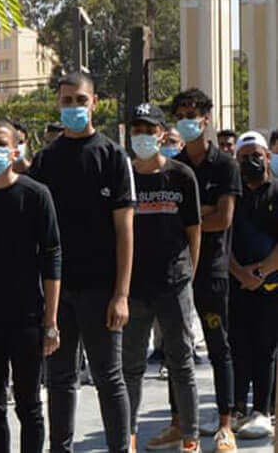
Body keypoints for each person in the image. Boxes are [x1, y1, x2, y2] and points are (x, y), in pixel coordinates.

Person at [28, 71, 134, 453]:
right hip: (57, 291)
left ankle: (120, 448)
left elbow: (125, 231)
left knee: (109, 377)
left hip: (101, 289)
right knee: (59, 380)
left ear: (95, 103)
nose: (73, 107)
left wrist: (121, 294)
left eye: (80, 100)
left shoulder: (112, 157)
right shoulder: (46, 160)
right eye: (66, 100)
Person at [0, 119, 61, 453]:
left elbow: (52, 258)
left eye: (1, 142)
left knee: (29, 405)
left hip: (27, 317)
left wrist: (51, 321)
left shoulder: (36, 195)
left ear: (16, 149)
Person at [121, 104, 201, 453]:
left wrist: (188, 275)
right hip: (135, 288)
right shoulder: (123, 175)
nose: (142, 136)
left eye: (148, 129)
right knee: (131, 368)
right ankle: (129, 437)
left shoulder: (181, 175)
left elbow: (194, 231)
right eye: (136, 129)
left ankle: (190, 437)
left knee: (181, 363)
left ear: (161, 132)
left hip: (173, 284)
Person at [170, 88, 239, 447]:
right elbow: (170, 219)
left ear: (206, 118)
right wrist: (204, 213)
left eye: (193, 112)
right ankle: (178, 421)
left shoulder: (225, 165)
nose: (187, 118)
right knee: (176, 348)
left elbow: (224, 218)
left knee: (218, 346)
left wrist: (193, 219)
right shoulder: (175, 166)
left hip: (212, 269)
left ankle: (225, 422)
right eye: (181, 112)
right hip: (177, 270)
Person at [228, 132, 278, 441]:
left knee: (266, 348)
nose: (252, 162)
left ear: (268, 157)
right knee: (238, 348)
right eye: (244, 158)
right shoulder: (231, 196)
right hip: (236, 287)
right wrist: (240, 274)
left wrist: (259, 272)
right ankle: (234, 409)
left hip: (270, 285)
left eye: (257, 155)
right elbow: (222, 242)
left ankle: (263, 410)